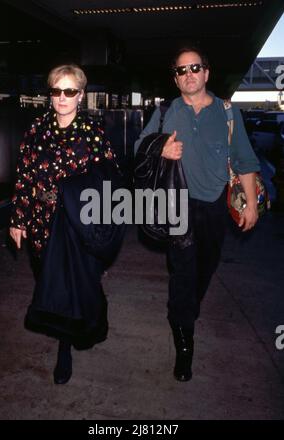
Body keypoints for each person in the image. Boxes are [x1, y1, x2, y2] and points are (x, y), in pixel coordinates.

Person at [134, 45, 260, 382]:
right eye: (181, 70)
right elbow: (138, 146)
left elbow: (245, 160)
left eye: (195, 68)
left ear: (206, 73)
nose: (189, 74)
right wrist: (161, 146)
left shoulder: (228, 113)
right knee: (183, 272)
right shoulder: (165, 112)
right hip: (177, 204)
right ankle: (184, 343)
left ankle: (186, 310)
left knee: (204, 268)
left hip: (214, 206)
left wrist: (251, 204)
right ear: (175, 79)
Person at [9, 64, 121, 385]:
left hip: (75, 225)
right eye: (56, 90)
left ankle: (64, 347)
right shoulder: (36, 129)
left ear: (81, 95)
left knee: (73, 283)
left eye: (69, 91)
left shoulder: (93, 133)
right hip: (42, 223)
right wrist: (19, 219)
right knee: (50, 280)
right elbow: (25, 176)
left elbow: (108, 181)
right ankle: (70, 329)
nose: (62, 97)